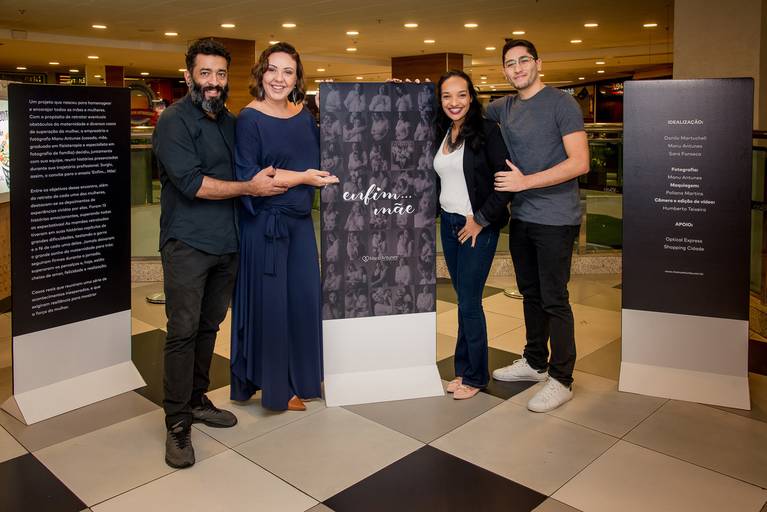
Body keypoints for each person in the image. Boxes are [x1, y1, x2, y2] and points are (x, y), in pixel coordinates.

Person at [153, 38, 288, 469]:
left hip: (229, 244)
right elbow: (193, 184)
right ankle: (177, 423)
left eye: (221, 73)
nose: (214, 81)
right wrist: (250, 187)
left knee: (209, 326)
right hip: (188, 244)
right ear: (189, 75)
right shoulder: (173, 121)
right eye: (205, 73)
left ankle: (196, 400)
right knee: (183, 331)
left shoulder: (231, 121)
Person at [230, 42, 338, 413]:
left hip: (300, 225)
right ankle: (277, 388)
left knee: (304, 302)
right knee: (273, 308)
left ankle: (304, 379)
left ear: (297, 78)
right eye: (272, 69)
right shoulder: (249, 118)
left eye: (288, 71)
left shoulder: (304, 115)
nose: (279, 78)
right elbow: (253, 177)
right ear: (261, 73)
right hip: (266, 227)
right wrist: (303, 177)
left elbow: (329, 156)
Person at [489, 39, 589, 412]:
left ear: (538, 63)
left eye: (524, 60)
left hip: (556, 218)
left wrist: (524, 182)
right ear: (504, 70)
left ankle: (562, 379)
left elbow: (579, 162)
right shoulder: (503, 107)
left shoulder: (562, 103)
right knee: (530, 294)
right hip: (523, 217)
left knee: (554, 298)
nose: (517, 68)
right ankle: (534, 362)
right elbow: (458, 107)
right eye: (510, 63)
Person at [433, 69, 511, 400]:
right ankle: (463, 369)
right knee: (463, 300)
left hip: (476, 227)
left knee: (469, 302)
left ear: (471, 97)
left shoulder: (488, 131)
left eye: (461, 95)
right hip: (449, 225)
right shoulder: (442, 130)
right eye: (447, 96)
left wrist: (480, 219)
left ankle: (476, 376)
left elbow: (506, 182)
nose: (454, 102)